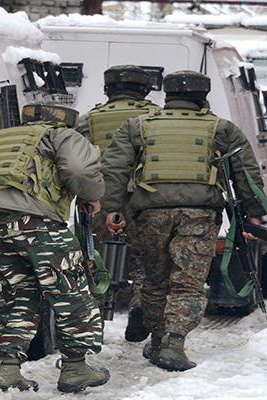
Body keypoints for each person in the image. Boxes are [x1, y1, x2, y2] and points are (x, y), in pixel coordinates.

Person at [101, 70, 266, 371]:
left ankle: (158, 338)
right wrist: (254, 213)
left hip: (149, 214)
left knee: (154, 281)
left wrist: (112, 208)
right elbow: (246, 173)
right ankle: (174, 345)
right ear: (203, 96)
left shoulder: (137, 126)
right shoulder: (221, 128)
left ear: (167, 95)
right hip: (199, 214)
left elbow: (114, 169)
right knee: (187, 282)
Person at [0, 103, 108, 393]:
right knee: (70, 289)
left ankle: (6, 368)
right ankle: (76, 367)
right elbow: (79, 170)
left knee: (18, 293)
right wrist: (93, 195)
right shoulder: (60, 135)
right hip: (33, 221)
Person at [76, 65, 160, 342]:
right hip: (145, 199)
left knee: (93, 260)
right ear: (145, 90)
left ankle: (94, 322)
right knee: (146, 263)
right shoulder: (156, 118)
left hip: (99, 200)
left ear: (107, 90)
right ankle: (139, 306)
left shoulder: (89, 120)